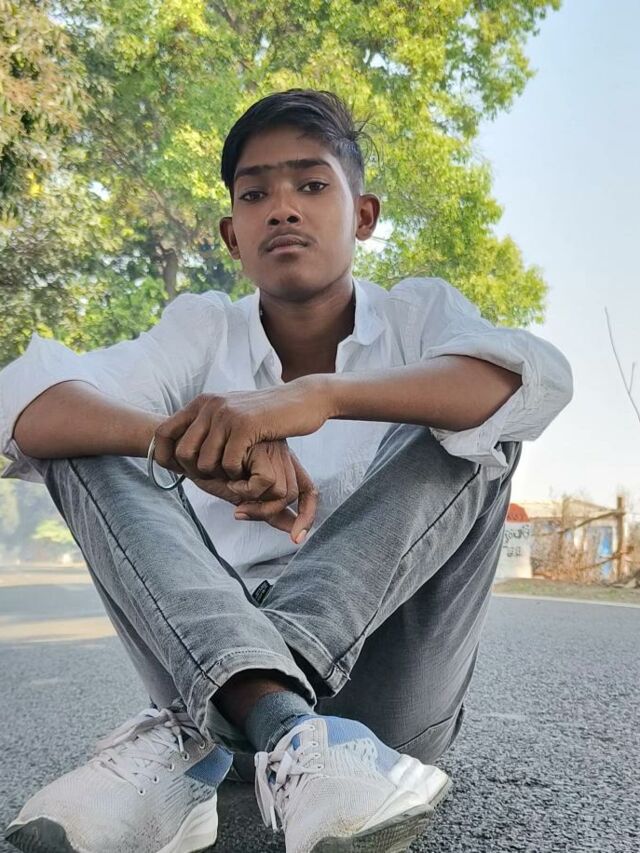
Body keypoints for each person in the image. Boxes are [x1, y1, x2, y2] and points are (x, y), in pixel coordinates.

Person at [1, 89, 573, 853]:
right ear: (231, 235)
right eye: (255, 194)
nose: (282, 209)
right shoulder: (201, 329)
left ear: (362, 215)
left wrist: (315, 397)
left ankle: (274, 724)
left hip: (382, 714)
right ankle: (274, 720)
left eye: (311, 184)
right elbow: (25, 397)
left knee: (476, 418)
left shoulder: (418, 316)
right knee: (86, 433)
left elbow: (537, 375)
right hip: (203, 678)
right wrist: (180, 443)